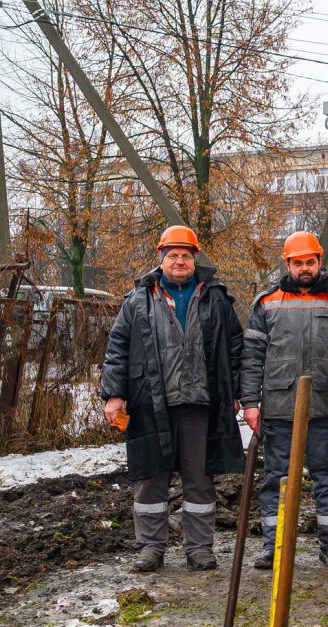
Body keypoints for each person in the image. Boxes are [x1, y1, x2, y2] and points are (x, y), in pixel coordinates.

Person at [101, 225, 244, 573]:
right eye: (173, 256)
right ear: (161, 259)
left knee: (200, 477)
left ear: (195, 259)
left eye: (185, 255)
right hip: (150, 401)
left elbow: (236, 348)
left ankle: (199, 549)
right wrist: (114, 395)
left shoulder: (216, 298)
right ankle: (150, 548)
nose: (179, 261)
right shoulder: (137, 300)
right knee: (151, 477)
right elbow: (117, 349)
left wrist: (238, 392)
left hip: (201, 404)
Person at [240, 231, 328, 570]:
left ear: (320, 262)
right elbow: (251, 358)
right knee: (275, 479)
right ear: (287, 263)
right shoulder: (267, 304)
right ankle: (273, 548)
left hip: (325, 409)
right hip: (279, 410)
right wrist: (250, 403)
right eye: (298, 262)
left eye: (310, 261)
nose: (305, 268)